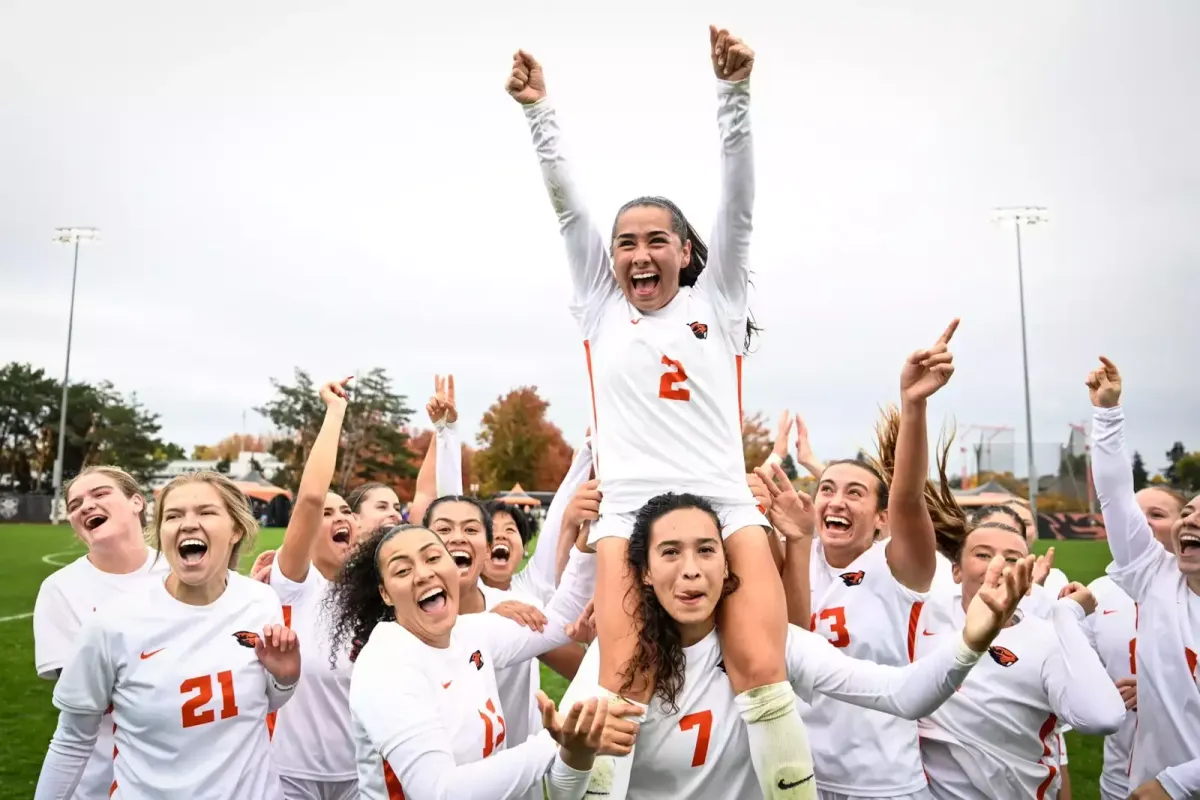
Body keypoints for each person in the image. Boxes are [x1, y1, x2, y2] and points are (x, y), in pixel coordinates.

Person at [510, 28, 812, 799]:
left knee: (760, 668)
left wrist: (733, 92)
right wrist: (538, 110)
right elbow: (565, 207)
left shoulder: (721, 299)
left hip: (724, 504)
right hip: (628, 513)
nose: (638, 256)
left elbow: (738, 202)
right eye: (625, 245)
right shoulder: (600, 308)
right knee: (623, 678)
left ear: (684, 250)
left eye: (655, 242)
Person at [548, 491, 1034, 799]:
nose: (691, 569)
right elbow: (560, 793)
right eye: (671, 553)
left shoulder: (772, 646)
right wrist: (575, 757)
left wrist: (972, 639)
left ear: (727, 564)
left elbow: (902, 695)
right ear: (647, 575)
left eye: (706, 550)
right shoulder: (615, 663)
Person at [34, 471, 302, 799]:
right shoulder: (113, 623)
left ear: (235, 529)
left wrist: (285, 679)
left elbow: (260, 705)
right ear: (161, 533)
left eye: (205, 512)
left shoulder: (260, 601)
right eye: (173, 516)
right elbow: (72, 741)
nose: (187, 524)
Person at [328, 523, 636, 800]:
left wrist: (588, 539)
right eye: (402, 570)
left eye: (433, 558)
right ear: (386, 594)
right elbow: (439, 791)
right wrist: (553, 744)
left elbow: (557, 623)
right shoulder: (387, 665)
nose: (423, 574)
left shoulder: (470, 631)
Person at [799, 322, 957, 800]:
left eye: (854, 492)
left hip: (882, 785)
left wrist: (913, 405)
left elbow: (909, 496)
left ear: (882, 518)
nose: (836, 501)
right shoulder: (794, 556)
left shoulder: (896, 569)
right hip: (799, 779)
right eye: (826, 489)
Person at [1086, 357, 1200, 799]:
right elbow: (1115, 494)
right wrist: (1107, 412)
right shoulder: (1156, 575)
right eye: (1188, 512)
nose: (1190, 522)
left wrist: (1175, 784)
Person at [32, 466, 171, 799]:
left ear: (137, 502)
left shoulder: (181, 572)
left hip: (186, 776)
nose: (86, 506)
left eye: (100, 494)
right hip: (99, 780)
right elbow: (87, 696)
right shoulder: (60, 589)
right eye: (76, 503)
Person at [265, 377, 359, 800]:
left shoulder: (382, 596)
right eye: (328, 512)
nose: (340, 516)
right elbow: (308, 498)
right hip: (292, 776)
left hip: (362, 773)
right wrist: (335, 413)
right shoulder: (295, 585)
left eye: (347, 511)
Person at [1084, 484, 1184, 800]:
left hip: (1186, 781)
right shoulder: (1097, 592)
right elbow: (1078, 682)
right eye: (1135, 515)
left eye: (1156, 515)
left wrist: (1161, 689)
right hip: (1118, 779)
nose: (1142, 524)